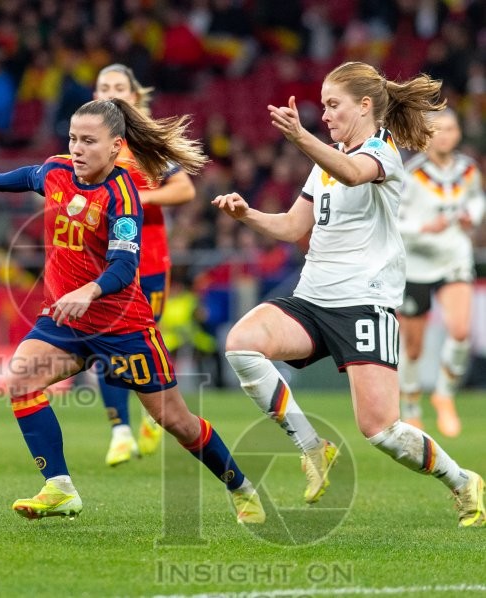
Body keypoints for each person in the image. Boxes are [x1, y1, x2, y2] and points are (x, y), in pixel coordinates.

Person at [0, 98, 266, 525]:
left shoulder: (122, 195)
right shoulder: (57, 171)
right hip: (66, 320)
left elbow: (124, 266)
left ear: (116, 146)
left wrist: (88, 291)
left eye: (89, 141)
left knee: (177, 421)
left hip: (122, 326)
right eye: (73, 139)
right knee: (21, 379)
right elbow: (28, 176)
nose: (77, 149)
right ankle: (59, 488)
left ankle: (240, 486)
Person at [213, 61, 485, 527]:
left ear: (363, 106)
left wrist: (301, 137)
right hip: (312, 299)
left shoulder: (383, 152)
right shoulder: (326, 161)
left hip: (363, 303)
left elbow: (355, 174)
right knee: (242, 343)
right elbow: (292, 226)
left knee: (382, 431)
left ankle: (463, 482)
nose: (325, 114)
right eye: (322, 106)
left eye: (333, 104)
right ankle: (313, 447)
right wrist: (247, 214)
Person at [92, 63, 197, 466]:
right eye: (104, 87)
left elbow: (185, 189)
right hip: (100, 261)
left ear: (134, 97)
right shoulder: (85, 145)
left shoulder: (146, 145)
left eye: (119, 87)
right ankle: (120, 431)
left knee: (142, 342)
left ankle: (155, 414)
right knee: (104, 342)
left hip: (148, 260)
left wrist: (138, 199)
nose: (111, 93)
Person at [396, 108, 485, 437]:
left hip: (453, 258)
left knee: (460, 331)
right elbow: (394, 221)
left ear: (458, 133)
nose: (445, 135)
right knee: (413, 346)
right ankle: (411, 404)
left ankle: (444, 396)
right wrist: (423, 228)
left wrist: (472, 217)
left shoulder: (468, 169)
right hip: (416, 264)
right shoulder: (410, 174)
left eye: (451, 128)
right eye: (439, 129)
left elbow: (477, 200)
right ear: (427, 135)